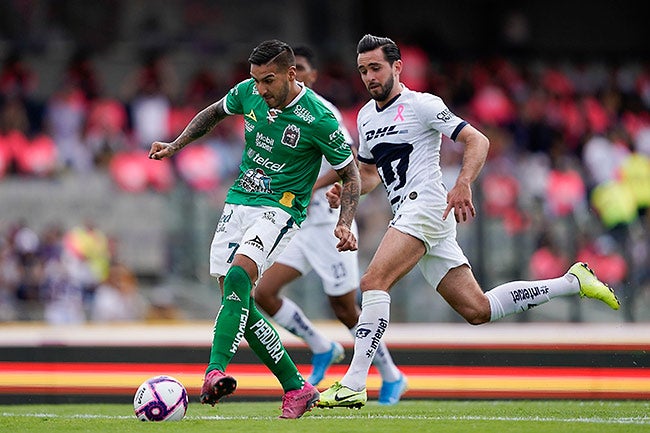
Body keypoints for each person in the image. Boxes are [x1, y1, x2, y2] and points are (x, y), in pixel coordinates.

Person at [317, 34, 620, 409]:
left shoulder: (422, 105)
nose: (368, 77)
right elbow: (369, 173)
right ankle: (573, 281)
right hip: (415, 215)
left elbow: (478, 140)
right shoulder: (365, 116)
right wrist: (347, 191)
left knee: (373, 281)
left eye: (376, 68)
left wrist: (462, 183)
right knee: (478, 310)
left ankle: (354, 382)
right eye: (363, 70)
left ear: (397, 67)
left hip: (425, 207)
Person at [148, 39, 360, 419]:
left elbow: (351, 174)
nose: (260, 90)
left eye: (268, 81)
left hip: (281, 209)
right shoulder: (249, 93)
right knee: (238, 301)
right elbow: (213, 113)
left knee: (239, 278)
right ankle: (297, 387)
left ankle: (214, 371)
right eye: (256, 81)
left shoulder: (319, 119)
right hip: (238, 202)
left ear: (291, 75)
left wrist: (344, 223)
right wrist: (176, 145)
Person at [254, 46, 406, 405]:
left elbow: (350, 164)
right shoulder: (276, 113)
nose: (299, 75)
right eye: (293, 69)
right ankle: (322, 347)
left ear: (309, 75)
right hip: (297, 224)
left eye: (303, 69)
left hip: (325, 224)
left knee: (344, 308)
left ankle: (392, 375)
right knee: (262, 292)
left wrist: (310, 187)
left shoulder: (324, 113)